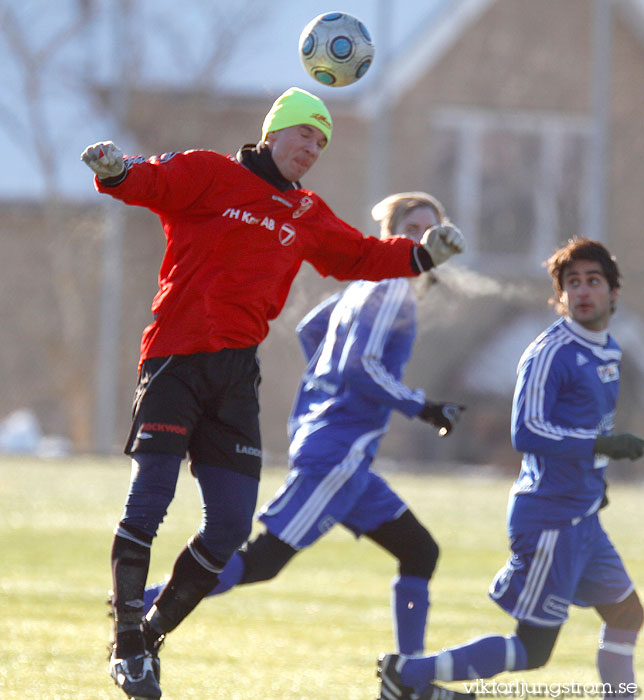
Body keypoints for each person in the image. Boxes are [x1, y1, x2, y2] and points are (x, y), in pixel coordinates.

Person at [80, 87, 465, 700]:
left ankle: (150, 632)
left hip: (235, 380)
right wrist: (116, 172)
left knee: (231, 527)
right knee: (149, 501)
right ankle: (129, 644)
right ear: (274, 132)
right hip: (176, 362)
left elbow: (359, 254)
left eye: (322, 142)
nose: (312, 149)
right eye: (305, 135)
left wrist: (418, 255)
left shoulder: (306, 212)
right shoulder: (210, 173)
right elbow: (149, 183)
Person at [143, 193, 468, 697]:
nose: (422, 236)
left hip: (343, 454)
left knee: (419, 551)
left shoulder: (364, 287)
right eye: (412, 227)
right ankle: (137, 609)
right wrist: (423, 406)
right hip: (339, 454)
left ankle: (406, 681)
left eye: (432, 228)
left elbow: (310, 328)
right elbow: (362, 366)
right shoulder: (393, 290)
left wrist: (324, 389)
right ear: (388, 235)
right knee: (261, 561)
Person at [376, 238, 644, 700]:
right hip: (550, 520)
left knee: (626, 615)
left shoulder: (608, 353)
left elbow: (580, 429)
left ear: (613, 293)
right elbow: (527, 432)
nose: (582, 291)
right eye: (572, 283)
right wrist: (601, 445)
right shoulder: (549, 352)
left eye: (592, 281)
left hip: (582, 516)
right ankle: (406, 674)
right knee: (532, 648)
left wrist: (594, 478)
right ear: (559, 298)